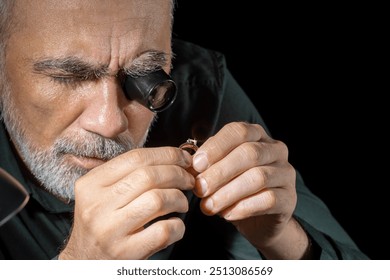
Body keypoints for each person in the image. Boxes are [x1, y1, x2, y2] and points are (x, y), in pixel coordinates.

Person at [0, 0, 368, 260]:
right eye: (68, 76)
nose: (111, 123)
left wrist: (283, 241)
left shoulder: (197, 93)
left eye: (145, 76)